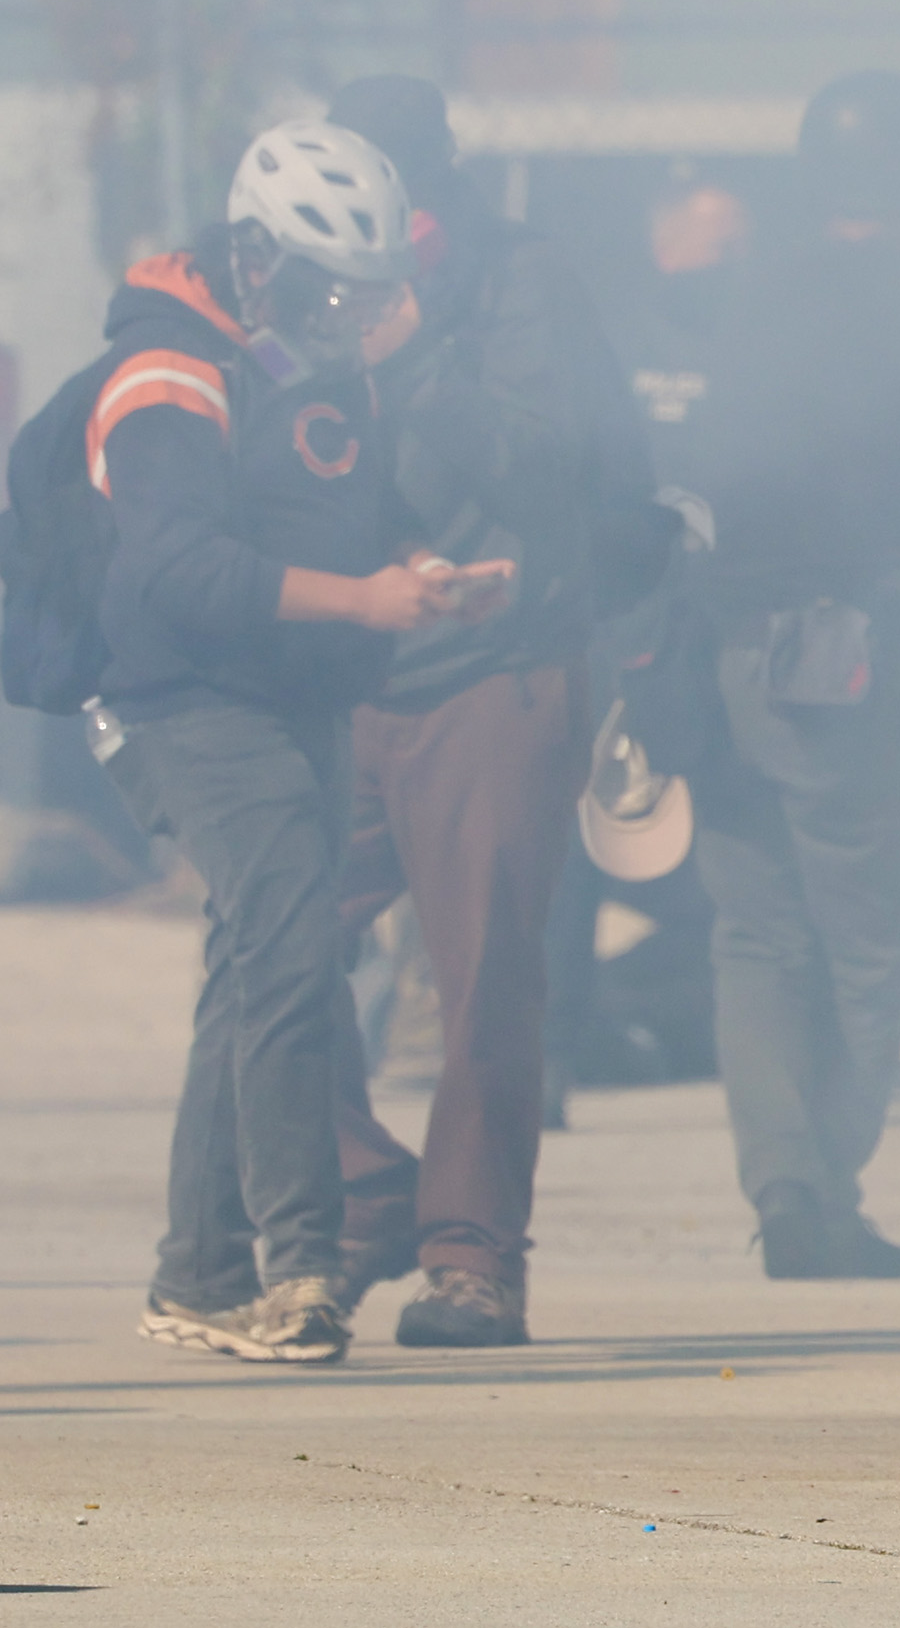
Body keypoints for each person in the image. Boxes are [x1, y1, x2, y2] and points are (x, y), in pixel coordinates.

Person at [91, 121, 512, 1363]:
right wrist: (360, 603)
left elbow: (357, 518)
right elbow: (179, 569)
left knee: (254, 975)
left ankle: (200, 1272)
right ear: (256, 256)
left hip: (293, 701)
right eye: (327, 285)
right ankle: (293, 1267)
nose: (347, 311)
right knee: (285, 966)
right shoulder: (164, 373)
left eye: (364, 291)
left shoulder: (295, 366)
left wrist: (420, 573)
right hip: (191, 706)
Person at [644, 72, 900, 1279]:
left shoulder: (750, 284)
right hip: (856, 647)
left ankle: (784, 1191)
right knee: (871, 935)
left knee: (757, 929)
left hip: (726, 646)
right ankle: (823, 1186)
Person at [315, 75, 669, 1349]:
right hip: (339, 667)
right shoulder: (302, 288)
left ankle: (469, 1257)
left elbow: (554, 462)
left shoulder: (515, 284)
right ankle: (363, 1195)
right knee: (267, 960)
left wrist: (413, 358)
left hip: (491, 667)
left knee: (483, 985)